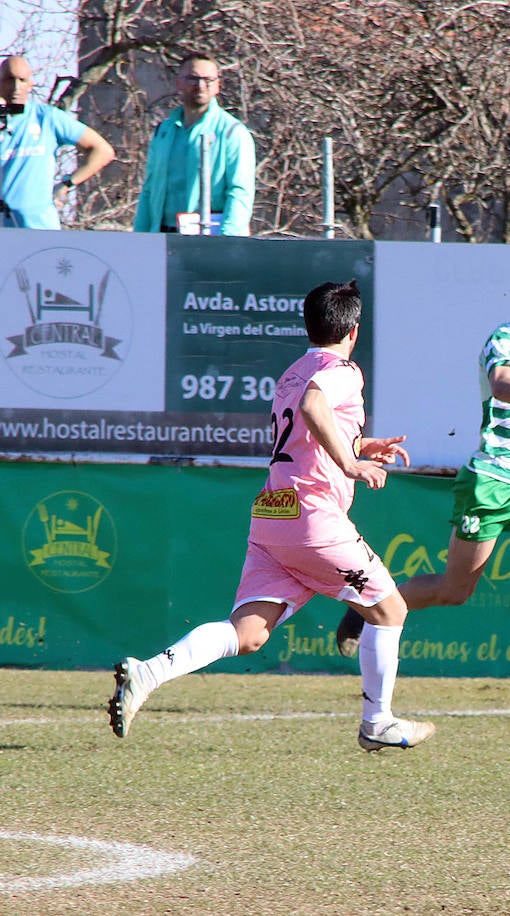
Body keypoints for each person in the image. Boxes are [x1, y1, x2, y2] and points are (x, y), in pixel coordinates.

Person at [109, 279, 434, 751]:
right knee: (390, 609)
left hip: (273, 515)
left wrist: (363, 444)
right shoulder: (343, 370)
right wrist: (351, 463)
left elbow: (303, 431)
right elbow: (315, 407)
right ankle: (377, 723)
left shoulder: (293, 371)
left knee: (246, 633)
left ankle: (148, 672)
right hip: (312, 518)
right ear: (354, 331)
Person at [334, 259, 510, 689]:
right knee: (454, 591)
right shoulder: (503, 340)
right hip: (490, 483)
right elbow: (502, 385)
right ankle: (364, 605)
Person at [0, 55, 115, 229]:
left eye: (22, 80)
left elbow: (103, 150)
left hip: (40, 230)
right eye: (9, 80)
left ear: (31, 84)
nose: (16, 87)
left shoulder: (47, 117)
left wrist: (67, 183)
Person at [132, 51, 255, 236]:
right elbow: (149, 189)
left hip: (208, 241)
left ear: (218, 86)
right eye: (193, 78)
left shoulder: (232, 132)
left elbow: (240, 193)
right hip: (162, 237)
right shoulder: (164, 131)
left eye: (209, 80)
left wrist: (228, 243)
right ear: (178, 83)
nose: (200, 86)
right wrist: (140, 236)